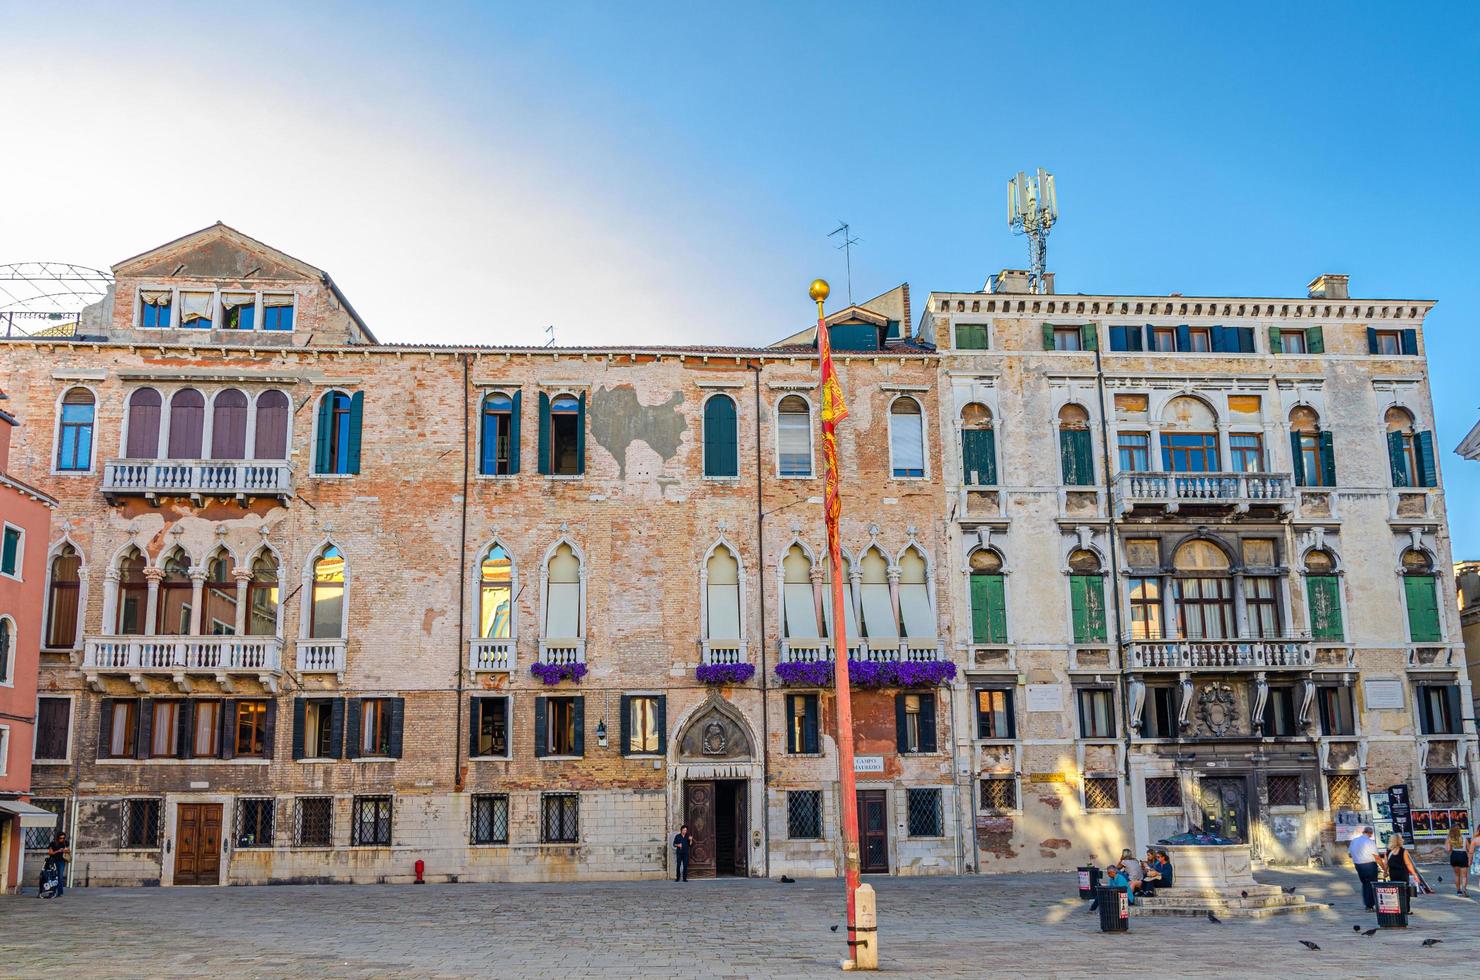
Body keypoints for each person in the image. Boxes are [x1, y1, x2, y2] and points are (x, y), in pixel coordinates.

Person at [1348, 825, 1385, 911]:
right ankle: (1370, 905)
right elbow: (1377, 857)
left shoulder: (1354, 841)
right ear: (1370, 833)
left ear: (1363, 832)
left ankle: (1367, 903)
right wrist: (1384, 868)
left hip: (1358, 865)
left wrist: (1358, 855)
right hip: (1369, 865)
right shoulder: (1370, 842)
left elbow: (1349, 854)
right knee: (1371, 884)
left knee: (1365, 884)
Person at [45, 831, 70, 898]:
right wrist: (58, 851)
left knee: (60, 876)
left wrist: (64, 850)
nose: (62, 839)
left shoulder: (65, 843)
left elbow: (68, 850)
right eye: (60, 838)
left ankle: (60, 892)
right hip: (53, 861)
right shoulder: (52, 843)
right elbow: (50, 853)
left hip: (61, 861)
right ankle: (52, 892)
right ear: (57, 838)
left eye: (63, 838)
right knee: (52, 876)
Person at [1447, 826, 1470, 896]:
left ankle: (1458, 891)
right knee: (1464, 876)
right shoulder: (1464, 837)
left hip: (1454, 855)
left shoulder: (1450, 838)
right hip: (1463, 855)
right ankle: (1464, 890)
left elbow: (1448, 849)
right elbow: (1468, 848)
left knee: (1457, 875)